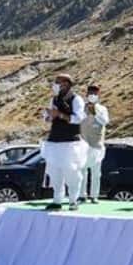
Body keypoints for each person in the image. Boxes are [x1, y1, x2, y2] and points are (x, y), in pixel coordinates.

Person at [41, 74, 89, 211]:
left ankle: (73, 200)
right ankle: (57, 200)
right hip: (54, 141)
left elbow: (79, 118)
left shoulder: (76, 99)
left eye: (58, 82)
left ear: (67, 83)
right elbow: (48, 118)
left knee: (71, 172)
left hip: (70, 142)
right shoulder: (54, 99)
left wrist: (60, 115)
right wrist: (48, 115)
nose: (55, 84)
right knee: (55, 172)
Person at [80, 85, 110, 204]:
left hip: (97, 144)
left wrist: (95, 112)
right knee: (82, 171)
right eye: (90, 93)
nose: (92, 95)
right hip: (83, 143)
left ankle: (94, 195)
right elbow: (77, 120)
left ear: (98, 95)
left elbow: (105, 121)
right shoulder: (81, 107)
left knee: (96, 173)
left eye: (95, 93)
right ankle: (82, 195)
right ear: (87, 94)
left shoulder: (102, 109)